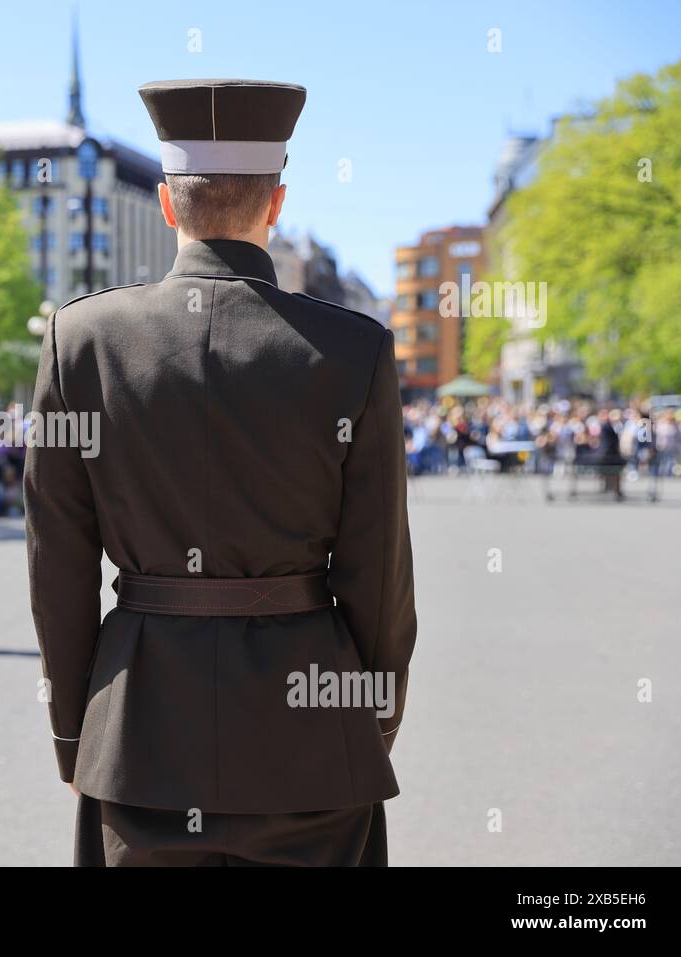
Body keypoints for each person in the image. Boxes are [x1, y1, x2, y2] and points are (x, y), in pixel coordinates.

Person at [24, 79, 417, 867]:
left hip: (138, 733)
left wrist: (75, 730)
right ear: (276, 204)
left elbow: (57, 566)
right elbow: (378, 575)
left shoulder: (82, 340)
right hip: (310, 733)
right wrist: (371, 715)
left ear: (168, 207)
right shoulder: (353, 350)